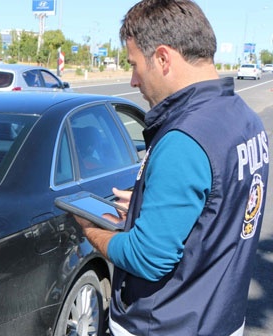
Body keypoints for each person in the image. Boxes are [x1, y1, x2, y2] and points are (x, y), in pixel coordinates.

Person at [75, 1, 269, 335]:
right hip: (220, 317)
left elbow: (147, 257)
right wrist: (147, 203)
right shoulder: (245, 120)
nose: (133, 80)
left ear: (163, 58)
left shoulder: (185, 138)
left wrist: (91, 231)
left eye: (135, 65)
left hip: (164, 323)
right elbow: (219, 203)